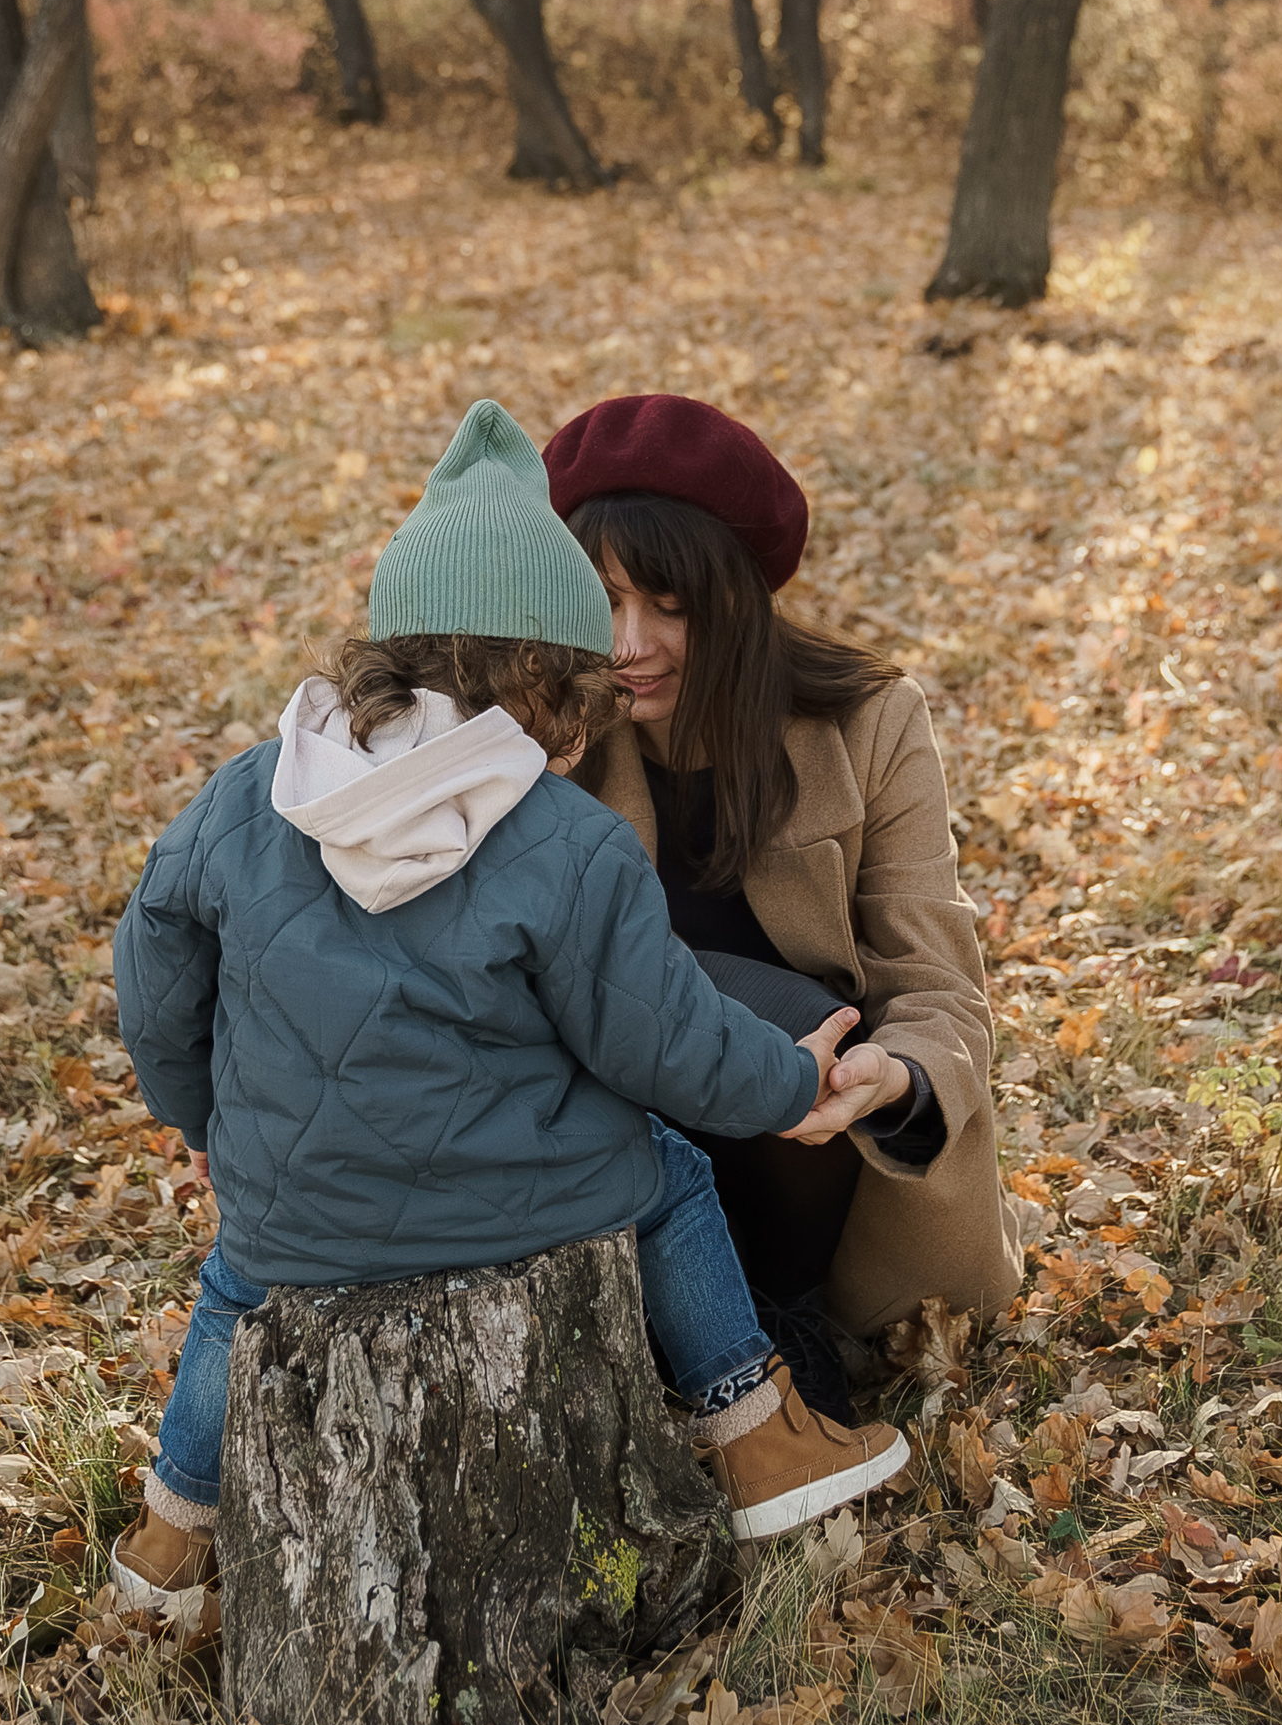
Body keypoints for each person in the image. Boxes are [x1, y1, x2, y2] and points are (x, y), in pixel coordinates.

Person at [105, 400, 912, 1640]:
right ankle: (758, 1436)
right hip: (527, 1213)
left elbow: (153, 974)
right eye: (581, 699)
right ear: (539, 684)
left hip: (295, 1215)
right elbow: (660, 1040)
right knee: (671, 1174)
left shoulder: (250, 796)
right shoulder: (565, 841)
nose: (586, 735)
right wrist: (788, 1081)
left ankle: (170, 1541)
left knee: (231, 1291)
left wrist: (200, 1116)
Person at [544, 393, 1018, 1418]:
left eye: (670, 604)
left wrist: (898, 1076)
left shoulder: (869, 722)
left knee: (786, 1026)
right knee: (646, 992)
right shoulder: (547, 725)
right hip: (615, 1141)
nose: (628, 644)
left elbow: (938, 980)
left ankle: (787, 1318)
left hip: (813, 1142)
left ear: (739, 595)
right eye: (603, 601)